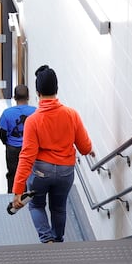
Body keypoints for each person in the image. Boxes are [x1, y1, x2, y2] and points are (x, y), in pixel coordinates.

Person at [10, 65, 93, 244]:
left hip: (41, 171)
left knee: (36, 205)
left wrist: (17, 190)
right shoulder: (72, 115)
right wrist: (90, 149)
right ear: (56, 89)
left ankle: (46, 239)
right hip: (65, 171)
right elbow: (85, 148)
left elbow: (26, 157)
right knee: (59, 208)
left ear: (37, 92)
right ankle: (58, 239)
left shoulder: (33, 120)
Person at [0, 83, 36, 191]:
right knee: (32, 173)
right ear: (28, 97)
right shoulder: (36, 112)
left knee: (13, 174)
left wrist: (8, 143)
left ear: (14, 97)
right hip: (30, 148)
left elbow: (2, 134)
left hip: (12, 149)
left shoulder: (7, 113)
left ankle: (12, 196)